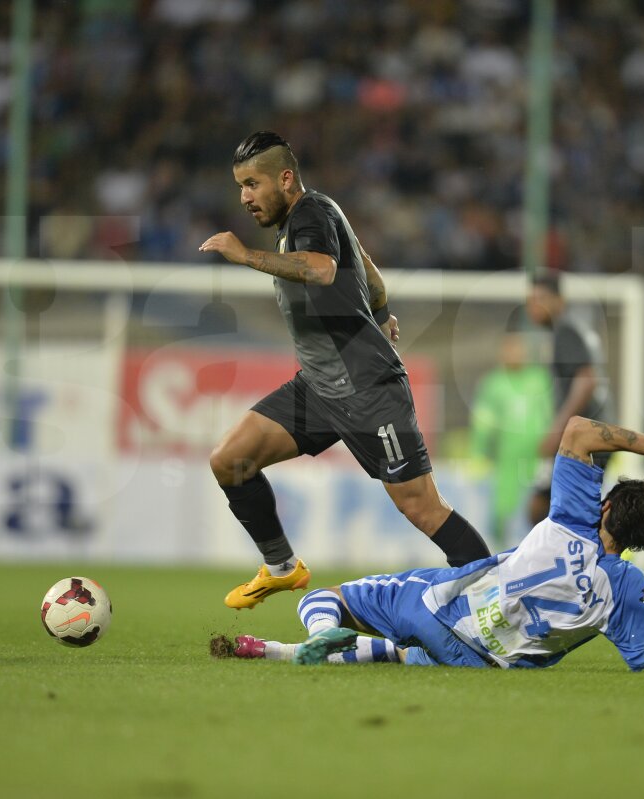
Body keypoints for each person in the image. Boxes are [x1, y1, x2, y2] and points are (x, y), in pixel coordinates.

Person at [232, 415, 644, 677]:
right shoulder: (624, 590)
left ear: (605, 508)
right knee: (401, 658)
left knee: (332, 599)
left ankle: (319, 630)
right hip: (479, 662)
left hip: (443, 607)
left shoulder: (571, 518)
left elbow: (580, 430)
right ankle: (275, 652)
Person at [198, 131, 492, 609]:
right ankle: (281, 568)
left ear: (286, 179)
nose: (245, 197)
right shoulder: (313, 215)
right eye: (240, 187)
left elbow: (322, 269)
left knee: (420, 506)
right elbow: (368, 268)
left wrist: (244, 256)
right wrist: (380, 313)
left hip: (366, 386)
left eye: (252, 184)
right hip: (318, 387)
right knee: (231, 459)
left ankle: (497, 601)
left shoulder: (310, 213)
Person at [525, 270, 615, 525]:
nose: (533, 305)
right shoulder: (576, 328)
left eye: (540, 298)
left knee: (545, 509)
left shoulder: (565, 330)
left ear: (559, 300)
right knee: (557, 510)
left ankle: (596, 558)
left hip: (586, 435)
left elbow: (586, 380)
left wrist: (558, 431)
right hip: (595, 433)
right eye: (530, 299)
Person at [468, 317, 553, 546]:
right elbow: (483, 422)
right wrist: (479, 452)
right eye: (509, 347)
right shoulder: (493, 383)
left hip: (539, 456)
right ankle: (499, 555)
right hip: (507, 458)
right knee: (502, 508)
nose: (514, 352)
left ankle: (541, 555)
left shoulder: (541, 379)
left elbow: (553, 414)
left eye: (519, 346)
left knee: (540, 509)